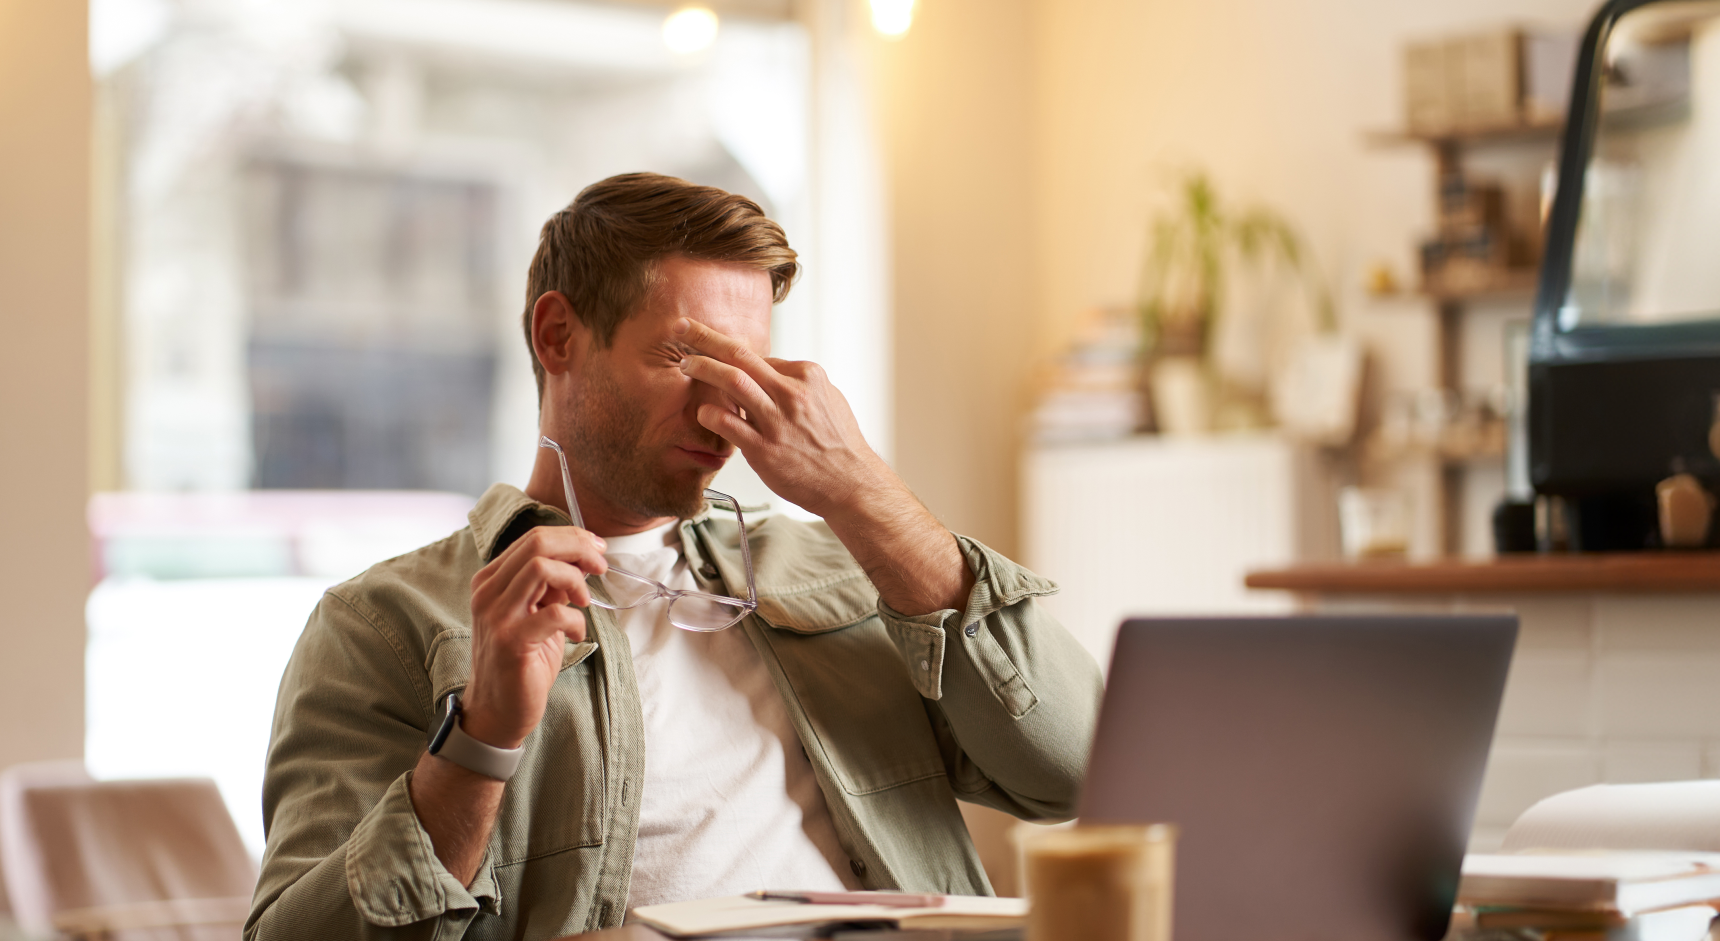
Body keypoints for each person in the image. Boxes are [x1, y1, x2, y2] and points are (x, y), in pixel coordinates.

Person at [250, 173, 1100, 941]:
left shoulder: (845, 563)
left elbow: (1076, 771)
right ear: (558, 336)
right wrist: (482, 738)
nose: (722, 412)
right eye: (687, 359)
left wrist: (862, 491)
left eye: (751, 371)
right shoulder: (388, 623)